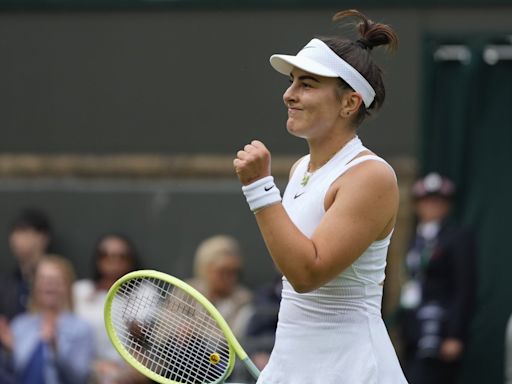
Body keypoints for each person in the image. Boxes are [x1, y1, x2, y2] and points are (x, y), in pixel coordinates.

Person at [233, 9, 407, 383]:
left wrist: (260, 189)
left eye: (307, 84)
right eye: (292, 82)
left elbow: (306, 273)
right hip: (292, 363)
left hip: (352, 367)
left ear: (350, 103)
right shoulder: (301, 170)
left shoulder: (371, 176)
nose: (289, 95)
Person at [398, 172, 476, 384]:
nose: (432, 207)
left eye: (438, 202)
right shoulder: (414, 238)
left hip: (440, 328)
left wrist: (455, 334)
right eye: (427, 202)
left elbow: (464, 288)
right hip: (413, 330)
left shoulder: (457, 238)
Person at [0, 255, 95, 384]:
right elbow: (11, 374)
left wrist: (56, 350)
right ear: (35, 286)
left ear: (67, 287)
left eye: (56, 280)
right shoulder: (20, 324)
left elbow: (79, 378)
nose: (49, 285)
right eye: (43, 279)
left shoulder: (81, 329)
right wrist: (9, 351)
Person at [73, 233, 147, 384]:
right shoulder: (80, 290)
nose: (113, 261)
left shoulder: (145, 292)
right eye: (106, 255)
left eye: (121, 256)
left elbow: (141, 334)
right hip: (86, 367)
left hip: (128, 371)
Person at [0, 208, 54, 382]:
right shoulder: (7, 284)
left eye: (27, 233)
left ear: (43, 238)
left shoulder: (59, 277)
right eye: (17, 233)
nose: (21, 240)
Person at [187, 234, 252, 338]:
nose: (231, 278)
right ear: (205, 269)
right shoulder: (185, 292)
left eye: (235, 272)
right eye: (223, 272)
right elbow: (162, 331)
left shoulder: (244, 299)